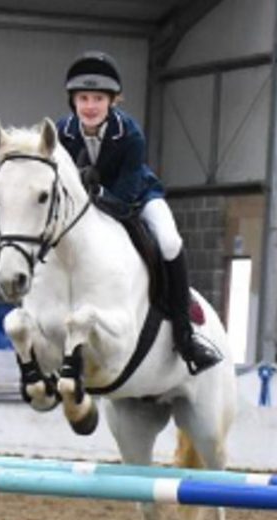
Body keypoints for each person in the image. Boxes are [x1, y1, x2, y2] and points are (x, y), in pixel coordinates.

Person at [57, 51, 222, 375]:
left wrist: (95, 192)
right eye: (83, 98)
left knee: (170, 241)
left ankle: (184, 333)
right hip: (84, 208)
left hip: (135, 198)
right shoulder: (62, 132)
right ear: (73, 100)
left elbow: (125, 195)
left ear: (113, 101)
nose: (90, 106)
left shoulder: (130, 133)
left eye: (98, 98)